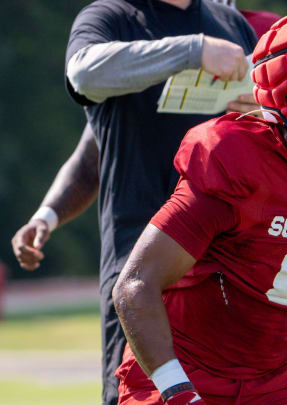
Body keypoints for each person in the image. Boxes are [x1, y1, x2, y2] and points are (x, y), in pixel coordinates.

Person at [112, 6, 287, 405]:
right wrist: (178, 392)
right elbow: (135, 286)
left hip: (274, 381)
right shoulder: (234, 160)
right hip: (184, 371)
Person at [9, 1, 264, 404]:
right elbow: (85, 78)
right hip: (139, 270)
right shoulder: (111, 17)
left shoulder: (228, 21)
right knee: (136, 395)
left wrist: (261, 110)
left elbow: (271, 123)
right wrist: (192, 50)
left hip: (226, 260)